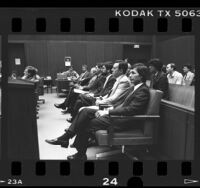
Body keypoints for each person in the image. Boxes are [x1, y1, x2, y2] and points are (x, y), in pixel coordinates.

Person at [45, 65, 150, 160]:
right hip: (117, 115)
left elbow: (131, 110)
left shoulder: (143, 90)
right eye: (130, 72)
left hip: (123, 120)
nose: (130, 75)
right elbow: (121, 105)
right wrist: (106, 110)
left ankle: (76, 149)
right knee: (85, 111)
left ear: (141, 77)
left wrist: (109, 112)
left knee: (86, 123)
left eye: (133, 73)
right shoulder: (134, 87)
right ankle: (67, 139)